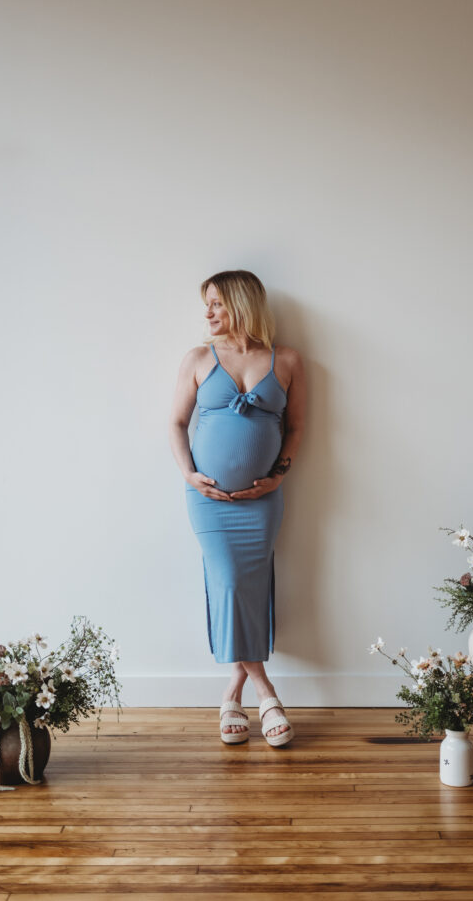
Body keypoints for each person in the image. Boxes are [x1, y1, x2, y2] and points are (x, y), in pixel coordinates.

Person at [169, 270, 306, 747]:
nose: (208, 313)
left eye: (217, 304)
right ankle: (266, 691)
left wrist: (279, 474)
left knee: (248, 586)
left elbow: (296, 428)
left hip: (262, 502)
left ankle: (233, 692)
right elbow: (176, 422)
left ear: (243, 305)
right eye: (206, 304)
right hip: (209, 502)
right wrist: (190, 474)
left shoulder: (286, 361)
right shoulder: (198, 359)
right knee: (228, 582)